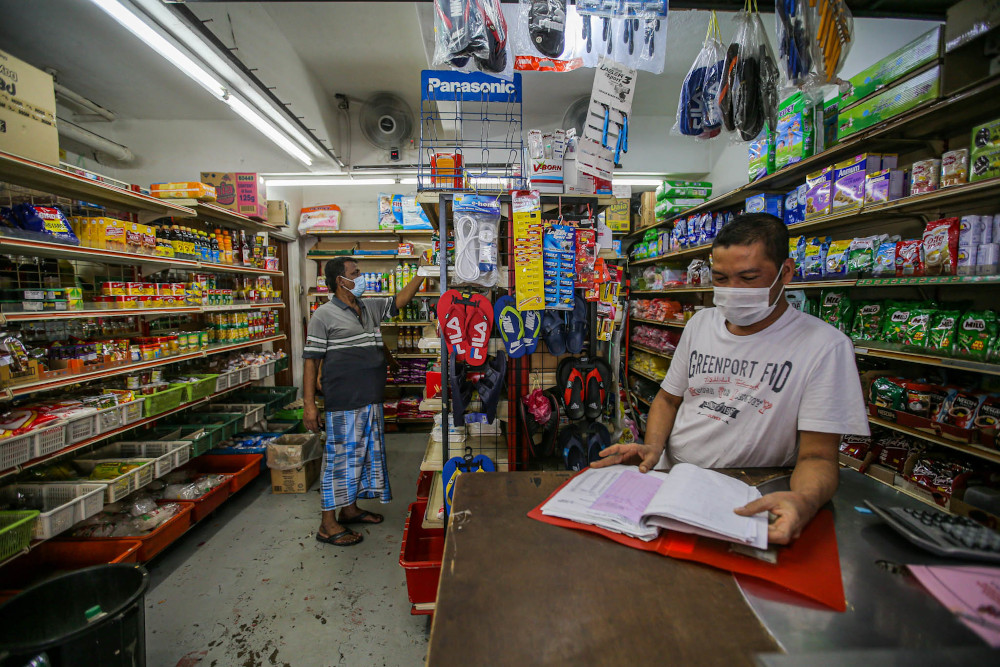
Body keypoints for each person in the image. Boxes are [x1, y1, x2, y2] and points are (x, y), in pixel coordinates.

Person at [596, 213, 869, 545]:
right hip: (673, 479)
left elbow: (819, 456)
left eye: (748, 277)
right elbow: (668, 399)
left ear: (786, 272)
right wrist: (653, 447)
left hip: (746, 493)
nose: (731, 291)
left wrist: (805, 500)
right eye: (721, 278)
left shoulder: (824, 347)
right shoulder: (700, 324)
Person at [303, 255, 428, 546]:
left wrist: (423, 271)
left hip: (369, 397)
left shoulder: (367, 307)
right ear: (340, 281)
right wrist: (309, 404)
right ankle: (327, 524)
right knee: (339, 460)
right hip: (344, 399)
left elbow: (398, 301)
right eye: (355, 273)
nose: (360, 277)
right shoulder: (323, 315)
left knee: (362, 455)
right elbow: (311, 361)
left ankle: (349, 510)